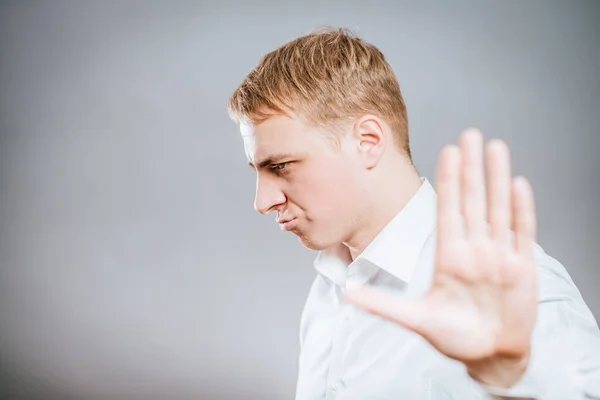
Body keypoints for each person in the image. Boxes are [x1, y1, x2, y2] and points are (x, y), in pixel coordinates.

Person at [227, 27, 600, 399]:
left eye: (281, 166)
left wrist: (512, 379)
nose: (262, 202)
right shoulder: (329, 286)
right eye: (257, 170)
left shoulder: (509, 286)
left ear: (367, 141)